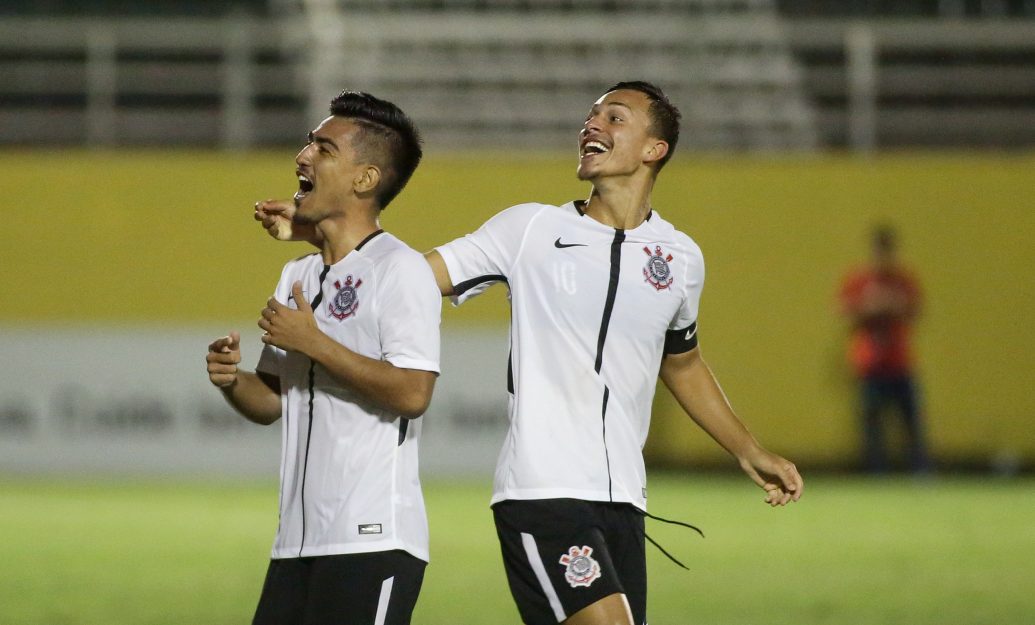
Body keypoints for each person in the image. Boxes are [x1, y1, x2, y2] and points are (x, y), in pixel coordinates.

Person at [257, 81, 802, 625]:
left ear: (654, 149)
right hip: (543, 492)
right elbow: (407, 277)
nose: (592, 125)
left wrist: (748, 450)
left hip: (625, 501)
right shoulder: (530, 229)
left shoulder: (681, 259)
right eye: (591, 116)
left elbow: (682, 363)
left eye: (614, 118)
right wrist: (317, 232)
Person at [207, 90, 441, 625]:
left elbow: (413, 393)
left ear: (365, 179)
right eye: (309, 143)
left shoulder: (400, 271)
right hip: (296, 544)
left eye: (325, 148)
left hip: (372, 539)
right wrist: (230, 380)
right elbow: (270, 402)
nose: (303, 155)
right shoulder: (299, 274)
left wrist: (314, 343)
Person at [839, 225, 930, 474]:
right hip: (870, 365)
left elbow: (915, 311)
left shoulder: (902, 281)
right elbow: (846, 313)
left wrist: (891, 306)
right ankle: (876, 472)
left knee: (911, 423)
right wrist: (872, 307)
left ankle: (920, 470)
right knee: (873, 426)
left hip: (899, 363)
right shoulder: (861, 281)